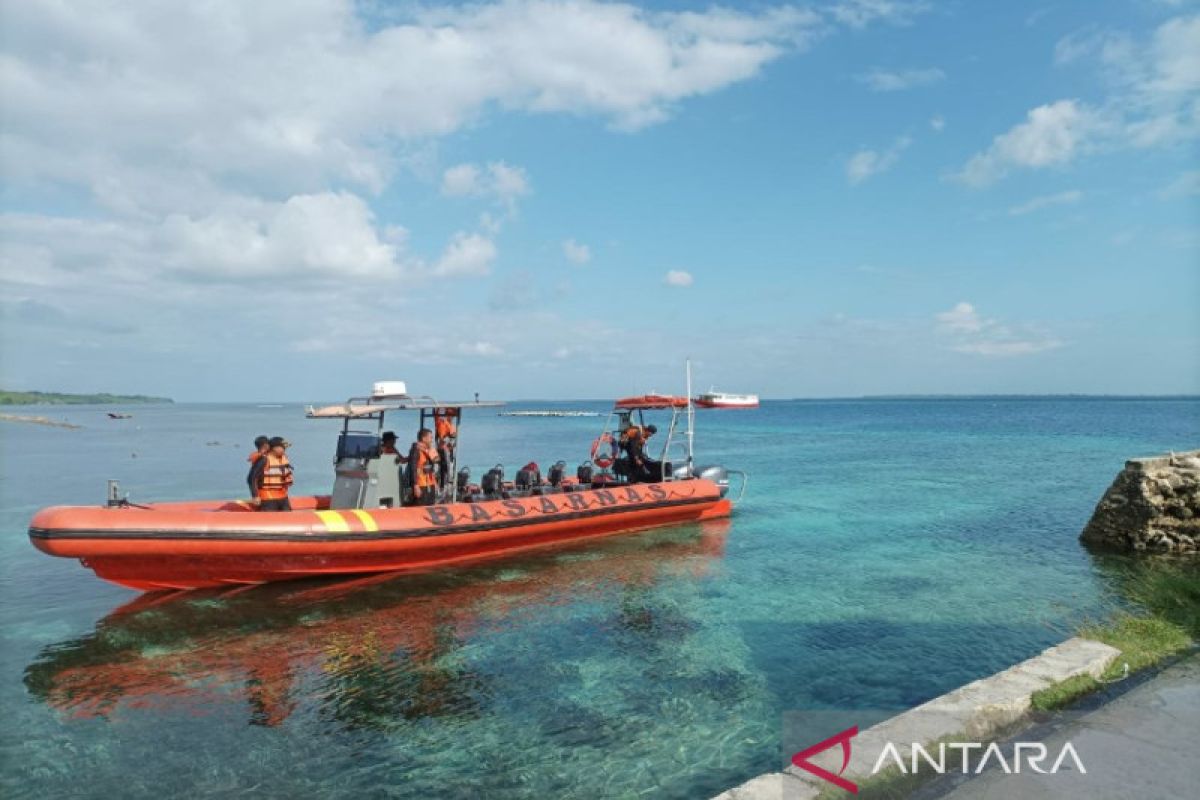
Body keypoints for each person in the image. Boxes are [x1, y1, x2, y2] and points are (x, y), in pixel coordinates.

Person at [249, 436, 294, 511]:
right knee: (270, 519)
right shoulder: (264, 459)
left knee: (288, 519)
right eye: (283, 447)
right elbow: (251, 478)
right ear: (274, 448)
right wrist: (255, 496)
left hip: (283, 497)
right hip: (268, 498)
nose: (285, 449)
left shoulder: (283, 459)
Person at [407, 428, 441, 505]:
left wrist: (426, 451)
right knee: (420, 505)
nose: (432, 440)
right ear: (423, 438)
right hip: (420, 484)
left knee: (431, 504)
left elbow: (437, 460)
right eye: (430, 437)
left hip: (430, 483)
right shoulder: (415, 450)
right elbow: (413, 468)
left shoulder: (429, 449)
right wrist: (415, 485)